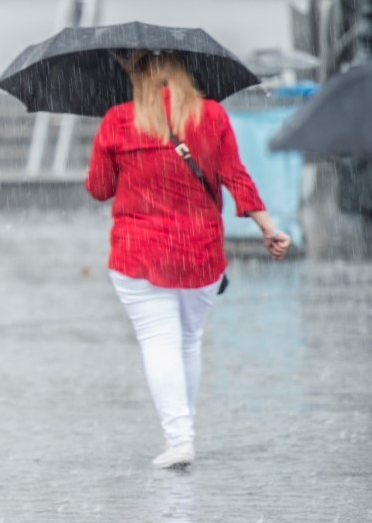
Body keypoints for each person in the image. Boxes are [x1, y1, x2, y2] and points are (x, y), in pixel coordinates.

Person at [84, 50, 292, 470]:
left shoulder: (119, 119)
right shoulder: (211, 115)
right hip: (199, 250)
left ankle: (179, 438)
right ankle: (184, 430)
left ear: (138, 79)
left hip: (139, 251)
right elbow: (235, 176)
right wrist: (269, 228)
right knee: (188, 339)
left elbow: (100, 189)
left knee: (158, 340)